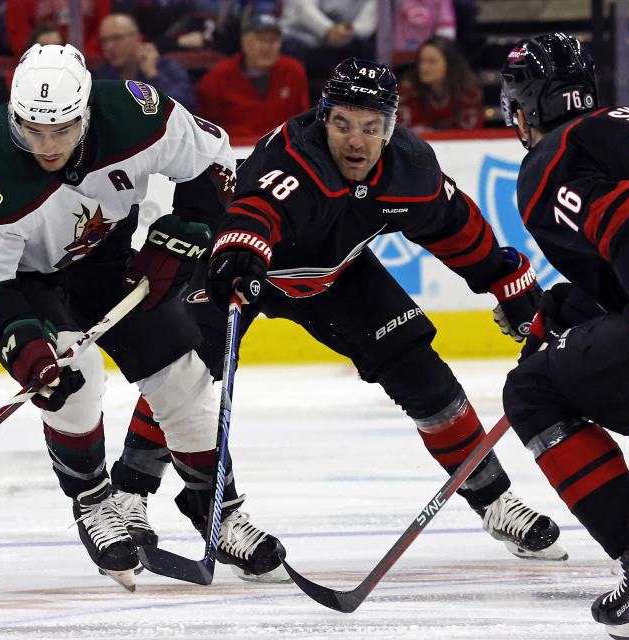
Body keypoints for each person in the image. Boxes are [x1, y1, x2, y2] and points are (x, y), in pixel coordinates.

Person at [201, 56, 570, 564]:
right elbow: (256, 210)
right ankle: (154, 497)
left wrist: (502, 276)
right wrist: (239, 248)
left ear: (390, 128)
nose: (356, 141)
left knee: (423, 375)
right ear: (322, 118)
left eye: (372, 127)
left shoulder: (410, 168)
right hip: (246, 270)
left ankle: (495, 499)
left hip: (338, 275)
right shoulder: (291, 157)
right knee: (185, 372)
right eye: (343, 124)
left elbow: (453, 224)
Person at [0, 43, 286, 588]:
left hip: (110, 264)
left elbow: (215, 158)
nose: (47, 146)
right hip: (29, 282)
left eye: (61, 130)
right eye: (33, 131)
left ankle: (214, 507)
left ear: (86, 112)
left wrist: (193, 229)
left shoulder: (136, 113)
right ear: (15, 117)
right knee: (74, 381)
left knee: (186, 379)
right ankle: (93, 501)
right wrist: (22, 345)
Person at [499, 32, 629, 639]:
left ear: (524, 106)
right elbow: (617, 264)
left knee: (534, 391)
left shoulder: (552, 157)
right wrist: (556, 310)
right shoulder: (619, 129)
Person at [195, 12, 309, 141]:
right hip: (235, 154)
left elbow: (303, 122)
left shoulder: (294, 71)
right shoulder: (216, 77)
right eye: (261, 39)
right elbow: (204, 131)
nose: (267, 47)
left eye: (273, 40)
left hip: (282, 152)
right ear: (244, 42)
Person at [92, 13, 195, 112]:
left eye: (116, 38)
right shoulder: (98, 78)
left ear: (137, 38)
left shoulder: (167, 67)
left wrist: (152, 74)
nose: (109, 46)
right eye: (104, 41)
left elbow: (185, 107)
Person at [398, 35, 483, 131]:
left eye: (432, 61)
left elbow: (472, 133)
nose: (423, 67)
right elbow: (406, 133)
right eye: (421, 61)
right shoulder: (408, 91)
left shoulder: (468, 92)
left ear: (450, 65)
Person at [280, 0, 377, 82]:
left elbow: (367, 22)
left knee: (366, 48)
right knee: (290, 46)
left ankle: (359, 100)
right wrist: (328, 30)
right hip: (304, 38)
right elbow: (304, 9)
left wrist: (348, 30)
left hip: (343, 40)